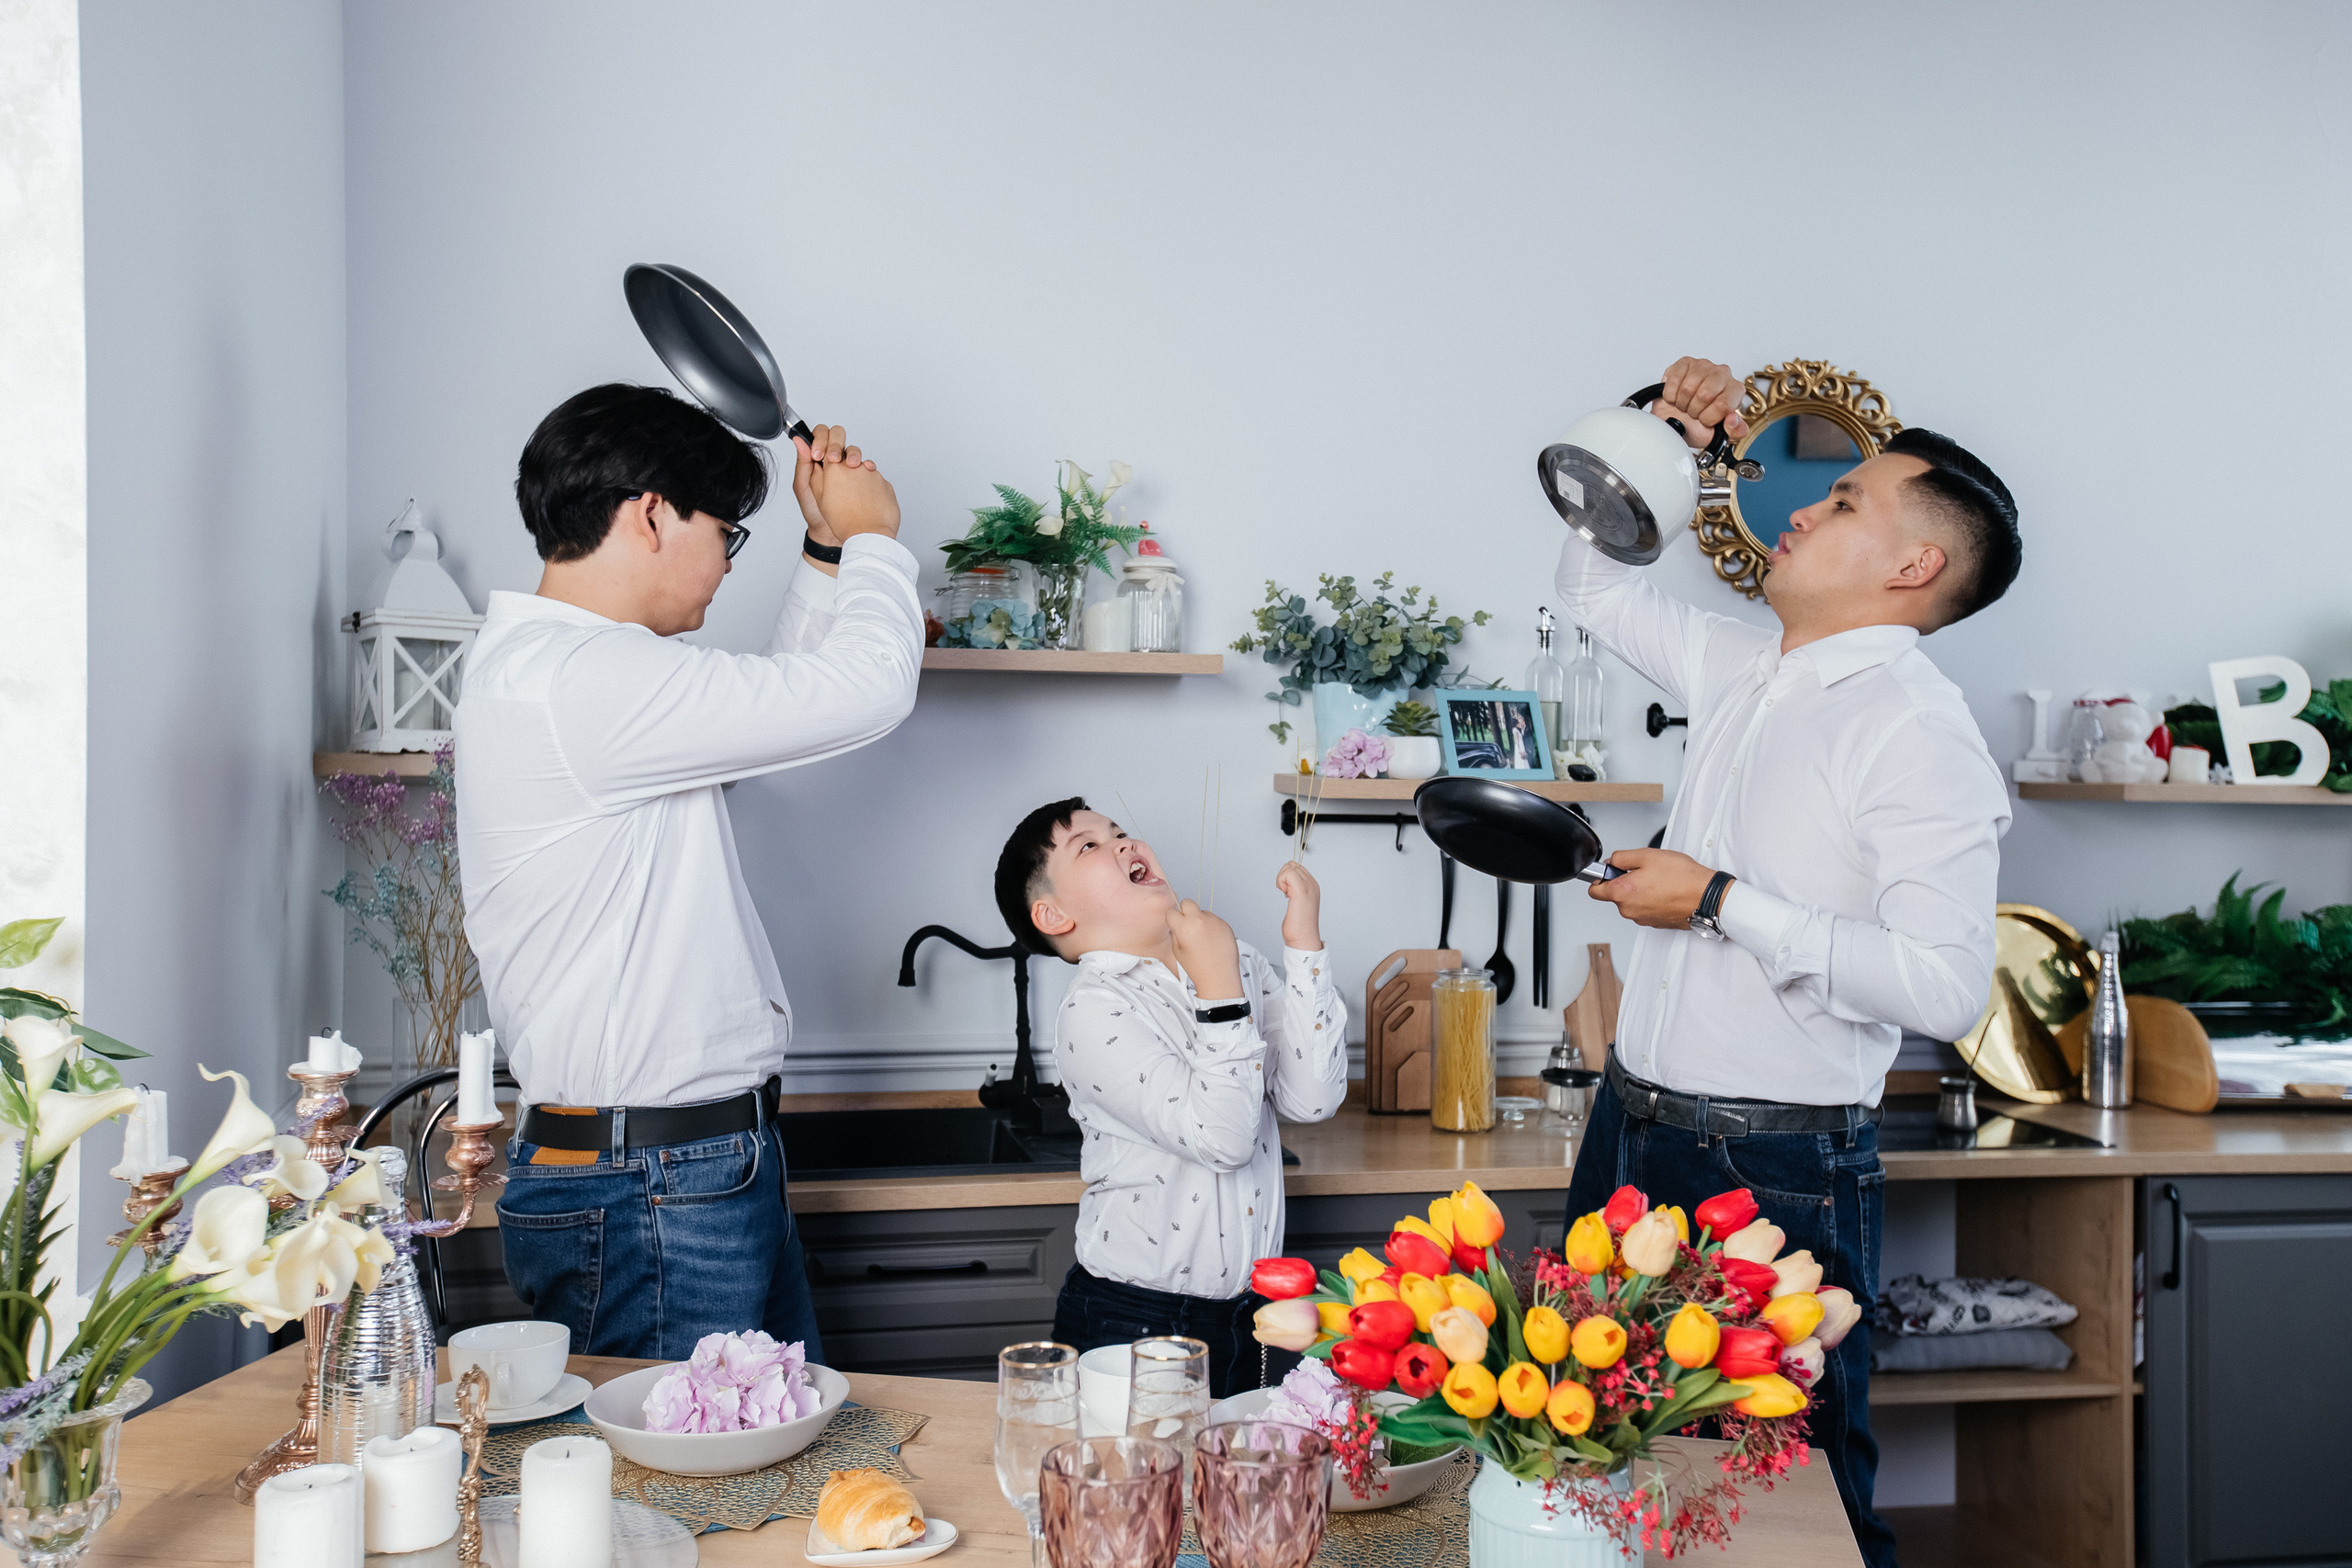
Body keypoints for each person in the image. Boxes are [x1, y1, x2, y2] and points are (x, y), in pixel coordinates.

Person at [1555, 357, 2019, 1568]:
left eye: (1846, 500)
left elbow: (1943, 985)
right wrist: (1659, 433)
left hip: (1770, 1166)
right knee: (1596, 1466)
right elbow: (1590, 584)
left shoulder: (1918, 732)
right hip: (1630, 1129)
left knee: (1786, 1505)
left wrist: (1716, 900)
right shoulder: (1744, 666)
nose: (1802, 507)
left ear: (1913, 566)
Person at [456, 383, 922, 1361]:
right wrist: (876, 539)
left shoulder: (564, 670)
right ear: (650, 514)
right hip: (653, 1185)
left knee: (754, 1452)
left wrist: (826, 551)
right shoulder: (582, 678)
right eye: (726, 532)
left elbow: (765, 718)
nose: (727, 561)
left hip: (677, 1170)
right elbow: (867, 692)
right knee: (669, 1464)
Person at [993, 799, 1346, 1398]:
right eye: (1089, 845)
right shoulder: (1092, 1010)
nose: (1123, 842)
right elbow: (1224, 1139)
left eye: (1120, 831)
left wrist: (1303, 943)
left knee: (1234, 1464)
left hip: (1252, 1315)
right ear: (1053, 915)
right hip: (1135, 1319)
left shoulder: (1237, 961)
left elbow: (1311, 1099)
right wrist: (1220, 987)